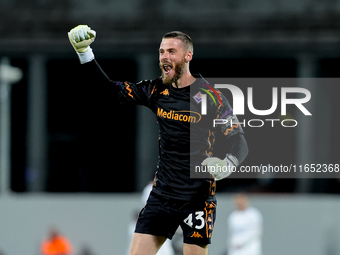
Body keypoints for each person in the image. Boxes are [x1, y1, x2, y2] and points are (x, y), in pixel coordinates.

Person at [67, 25, 248, 255]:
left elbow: (239, 139)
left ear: (188, 56)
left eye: (172, 51)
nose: (165, 57)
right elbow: (111, 91)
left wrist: (228, 163)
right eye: (162, 52)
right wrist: (85, 54)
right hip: (162, 197)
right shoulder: (155, 90)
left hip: (197, 199)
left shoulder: (211, 96)